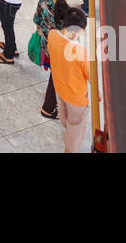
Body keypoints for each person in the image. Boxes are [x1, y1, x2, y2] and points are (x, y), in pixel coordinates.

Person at [49, 8, 91, 152]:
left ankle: (67, 131)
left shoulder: (52, 35)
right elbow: (91, 76)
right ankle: (69, 149)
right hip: (76, 97)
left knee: (65, 117)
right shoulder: (79, 51)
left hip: (59, 88)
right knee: (76, 125)